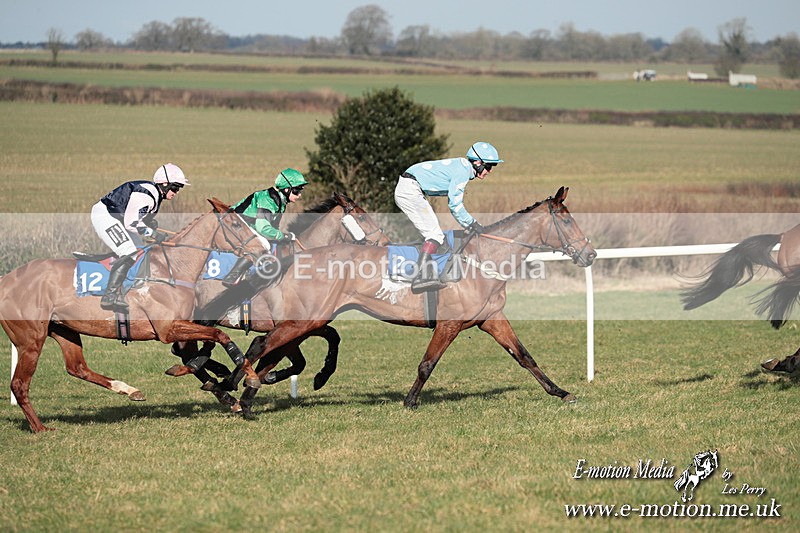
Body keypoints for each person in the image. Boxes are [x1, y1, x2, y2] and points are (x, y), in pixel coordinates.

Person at [394, 141, 503, 292]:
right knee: (435, 235)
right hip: (410, 190)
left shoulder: (463, 167)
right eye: (489, 166)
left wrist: (469, 224)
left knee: (438, 238)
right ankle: (420, 277)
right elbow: (455, 206)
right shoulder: (463, 171)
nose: (490, 171)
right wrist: (472, 224)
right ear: (478, 162)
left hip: (411, 187)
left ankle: (429, 272)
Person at [91, 163, 189, 311]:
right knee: (129, 251)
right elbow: (132, 223)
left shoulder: (155, 195)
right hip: (105, 216)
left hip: (119, 219)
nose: (176, 192)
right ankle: (109, 296)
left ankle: (131, 288)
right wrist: (152, 233)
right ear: (164, 184)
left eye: (178, 189)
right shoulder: (147, 194)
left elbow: (139, 218)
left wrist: (150, 224)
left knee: (141, 249)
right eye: (175, 187)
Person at [221, 168, 308, 287]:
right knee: (263, 244)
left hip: (245, 227)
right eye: (296, 191)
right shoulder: (268, 199)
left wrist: (280, 237)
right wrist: (285, 236)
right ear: (286, 189)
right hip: (234, 226)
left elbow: (273, 228)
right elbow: (263, 229)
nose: (299, 195)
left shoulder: (280, 202)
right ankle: (232, 277)